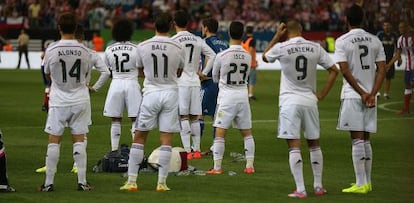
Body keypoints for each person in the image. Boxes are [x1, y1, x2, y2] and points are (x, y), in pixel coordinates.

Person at [262, 20, 338, 198]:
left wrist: (276, 36)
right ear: (302, 29)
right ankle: (318, 187)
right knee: (314, 144)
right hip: (310, 101)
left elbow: (264, 56)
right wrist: (322, 94)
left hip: (290, 101)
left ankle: (301, 189)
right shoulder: (315, 47)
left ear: (286, 30)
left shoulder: (282, 47)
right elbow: (334, 70)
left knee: (294, 146)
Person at [120, 12, 185, 192]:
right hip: (171, 93)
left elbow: (140, 71)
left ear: (154, 25)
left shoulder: (142, 46)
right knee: (166, 139)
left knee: (140, 136)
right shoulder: (178, 46)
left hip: (151, 93)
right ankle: (162, 183)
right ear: (171, 26)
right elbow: (179, 72)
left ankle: (132, 181)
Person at [35, 24, 110, 174]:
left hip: (60, 96)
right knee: (81, 133)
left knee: (56, 133)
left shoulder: (56, 49)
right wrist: (94, 87)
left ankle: (50, 167)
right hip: (81, 95)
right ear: (83, 37)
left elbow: (46, 70)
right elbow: (106, 72)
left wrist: (54, 83)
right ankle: (77, 166)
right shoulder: (89, 53)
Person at [38, 13, 98, 192]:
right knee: (79, 139)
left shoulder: (51, 49)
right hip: (79, 98)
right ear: (75, 28)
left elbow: (47, 74)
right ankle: (82, 182)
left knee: (54, 140)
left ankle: (48, 183)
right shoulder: (85, 51)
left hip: (58, 99)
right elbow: (87, 73)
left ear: (59, 28)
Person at [335, 4, 386, 194]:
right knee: (366, 139)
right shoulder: (375, 40)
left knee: (356, 139)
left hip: (353, 95)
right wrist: (372, 92)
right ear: (363, 19)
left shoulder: (342, 41)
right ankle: (367, 182)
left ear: (346, 19)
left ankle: (360, 183)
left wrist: (362, 93)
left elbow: (344, 69)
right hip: (371, 95)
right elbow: (381, 68)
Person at [206, 21, 255, 175]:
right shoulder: (247, 55)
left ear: (229, 33)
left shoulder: (222, 55)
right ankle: (249, 166)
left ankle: (217, 167)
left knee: (220, 132)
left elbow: (214, 76)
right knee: (247, 133)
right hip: (242, 96)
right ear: (242, 35)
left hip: (227, 97)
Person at [171, 10, 216, 160]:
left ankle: (187, 150)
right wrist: (204, 72)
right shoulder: (197, 39)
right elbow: (212, 55)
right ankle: (196, 150)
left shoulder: (174, 40)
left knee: (183, 116)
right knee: (195, 117)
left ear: (174, 23)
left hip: (181, 82)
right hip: (195, 82)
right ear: (188, 23)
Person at [104, 19, 142, 152]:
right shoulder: (136, 49)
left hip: (116, 83)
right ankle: (137, 150)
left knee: (115, 119)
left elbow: (106, 70)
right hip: (132, 83)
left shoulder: (109, 49)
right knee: (135, 119)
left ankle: (114, 150)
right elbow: (141, 68)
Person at [199, 17, 228, 155]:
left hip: (209, 81)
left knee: (199, 114)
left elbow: (208, 58)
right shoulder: (224, 43)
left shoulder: (205, 42)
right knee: (217, 117)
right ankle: (214, 147)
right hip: (222, 83)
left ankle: (195, 148)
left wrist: (202, 74)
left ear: (206, 28)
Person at [386, 21, 414, 114]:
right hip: (408, 67)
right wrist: (389, 64)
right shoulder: (400, 40)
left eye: (402, 27)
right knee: (407, 86)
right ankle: (406, 109)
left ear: (407, 28)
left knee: (411, 83)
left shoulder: (412, 38)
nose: (400, 29)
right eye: (399, 27)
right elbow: (397, 54)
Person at [377, 20, 399, 100]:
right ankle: (378, 92)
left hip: (390, 59)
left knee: (388, 77)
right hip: (380, 59)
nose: (386, 27)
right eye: (385, 25)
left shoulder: (394, 35)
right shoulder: (380, 35)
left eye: (388, 25)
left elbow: (398, 48)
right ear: (383, 26)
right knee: (379, 75)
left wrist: (398, 58)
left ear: (391, 26)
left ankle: (386, 93)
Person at [241, 25, 258, 100]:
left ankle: (244, 94)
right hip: (250, 63)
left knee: (245, 80)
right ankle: (250, 95)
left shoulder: (243, 40)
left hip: (243, 62)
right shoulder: (252, 40)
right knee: (251, 79)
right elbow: (250, 51)